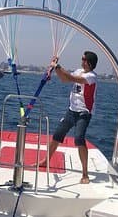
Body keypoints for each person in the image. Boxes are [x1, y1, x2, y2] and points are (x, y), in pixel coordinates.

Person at [42, 51, 98, 184]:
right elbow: (65, 79)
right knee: (57, 135)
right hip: (71, 111)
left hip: (83, 113)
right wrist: (55, 68)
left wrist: (57, 66)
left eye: (83, 59)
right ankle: (45, 161)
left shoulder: (92, 77)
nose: (81, 60)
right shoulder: (79, 71)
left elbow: (73, 79)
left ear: (89, 62)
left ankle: (85, 174)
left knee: (79, 139)